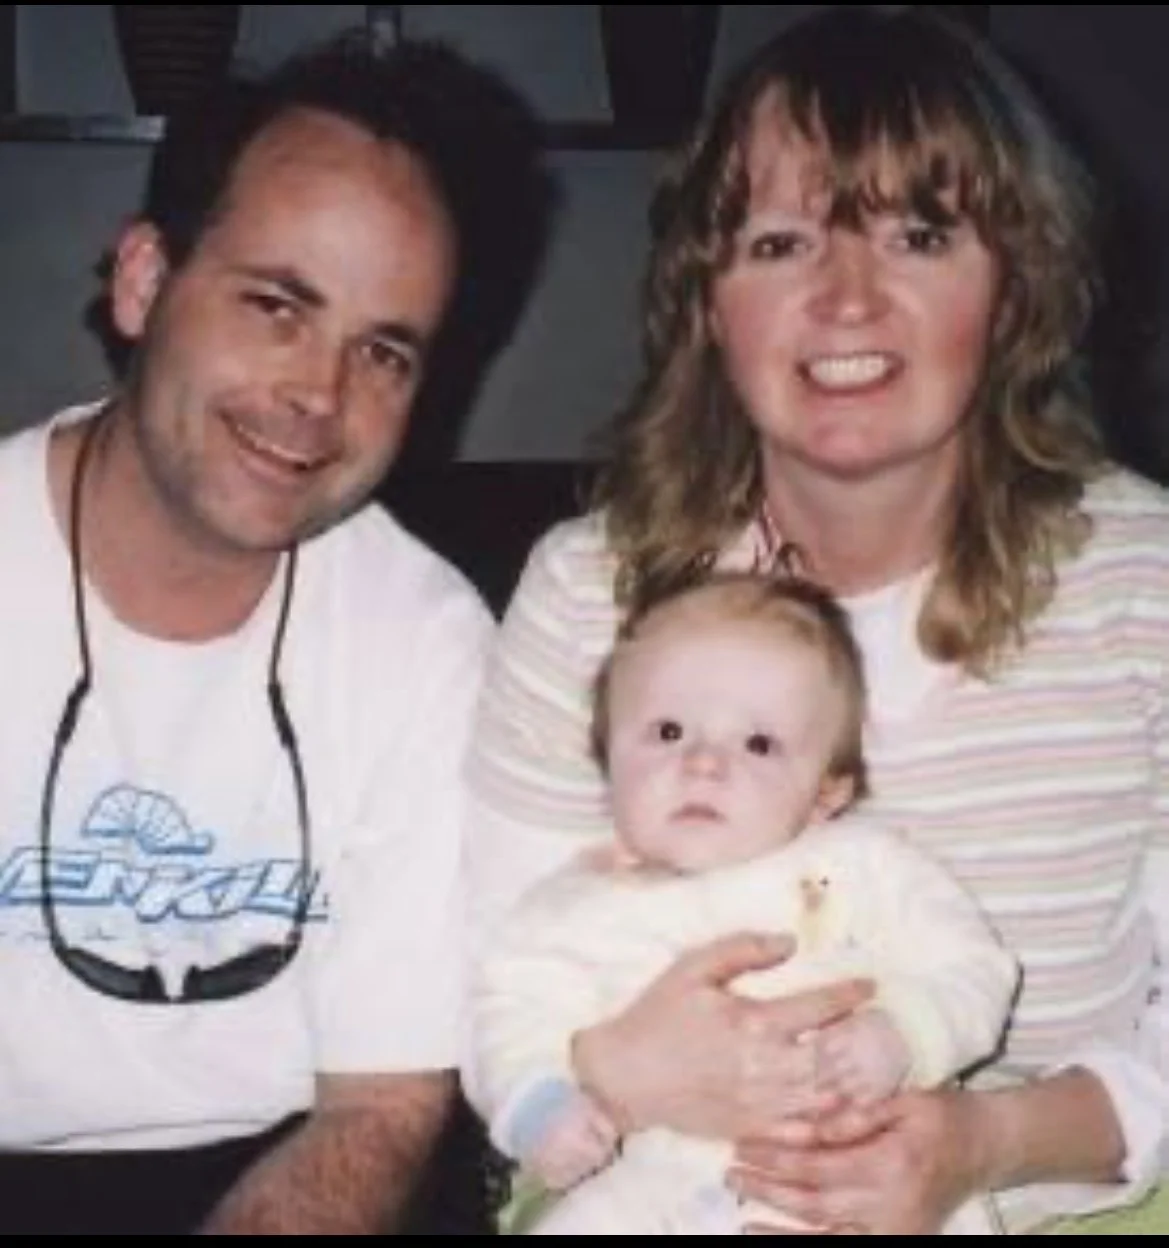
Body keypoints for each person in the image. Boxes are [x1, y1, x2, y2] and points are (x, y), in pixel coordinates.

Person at [466, 6, 1169, 1236]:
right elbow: (488, 978)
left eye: (916, 233)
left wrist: (979, 1144)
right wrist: (626, 1075)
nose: (847, 300)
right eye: (781, 242)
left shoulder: (1144, 586)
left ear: (1014, 291)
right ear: (707, 304)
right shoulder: (591, 595)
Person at [0, 28, 551, 1236]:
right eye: (275, 306)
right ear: (145, 282)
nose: (319, 395)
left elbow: (382, 1107)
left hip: (290, 1173)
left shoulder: (427, 640)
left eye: (384, 351)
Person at [471, 573, 1018, 1235]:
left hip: (861, 1166)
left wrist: (903, 1032)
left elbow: (973, 967)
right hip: (660, 1179)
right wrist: (541, 1107)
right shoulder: (572, 910)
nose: (703, 762)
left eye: (758, 744)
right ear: (607, 759)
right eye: (667, 731)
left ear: (826, 793)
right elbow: (510, 1018)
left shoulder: (864, 866)